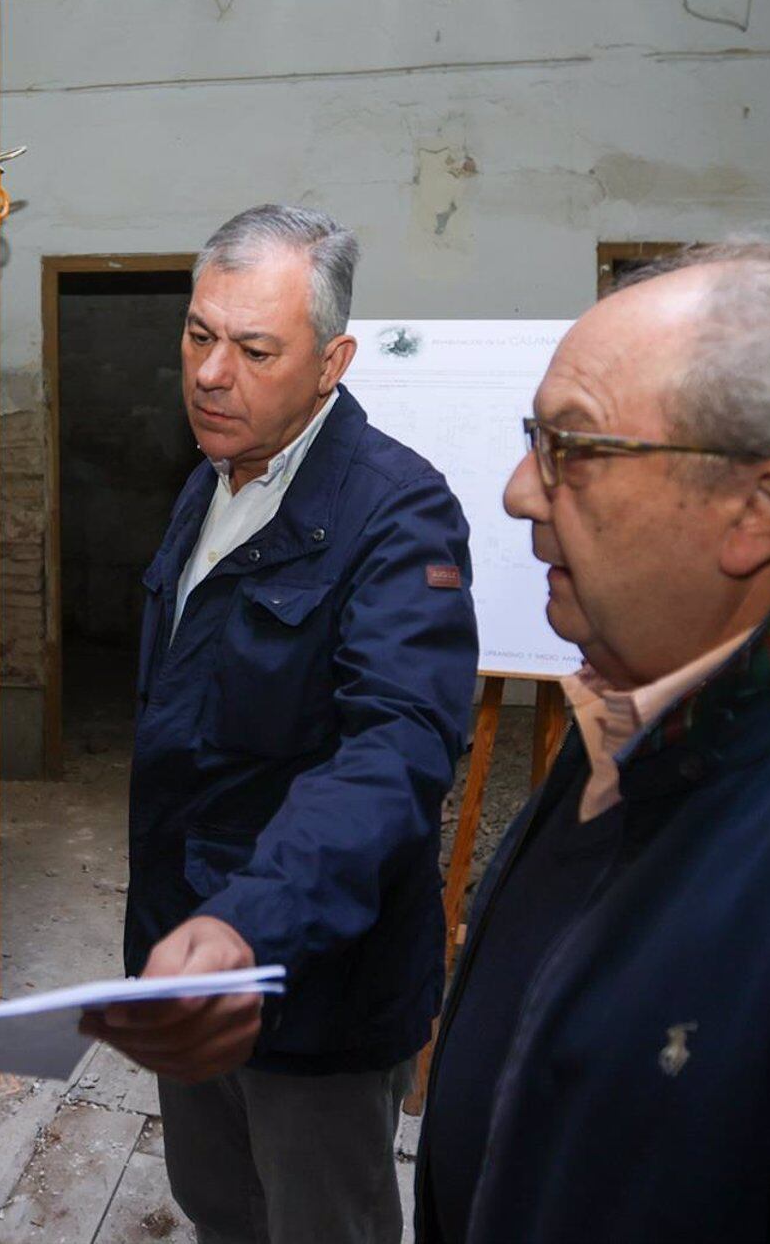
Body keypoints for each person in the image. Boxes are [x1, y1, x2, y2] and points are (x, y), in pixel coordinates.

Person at [415, 245, 770, 1242]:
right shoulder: (646, 699)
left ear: (758, 512)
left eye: (573, 449)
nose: (517, 491)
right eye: (533, 438)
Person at [85, 204, 479, 1244]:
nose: (212, 374)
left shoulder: (399, 514)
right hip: (187, 946)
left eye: (254, 349)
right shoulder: (208, 483)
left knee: (318, 1223)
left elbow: (395, 753)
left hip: (311, 983)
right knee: (221, 1207)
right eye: (197, 335)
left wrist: (248, 922)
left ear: (331, 360)